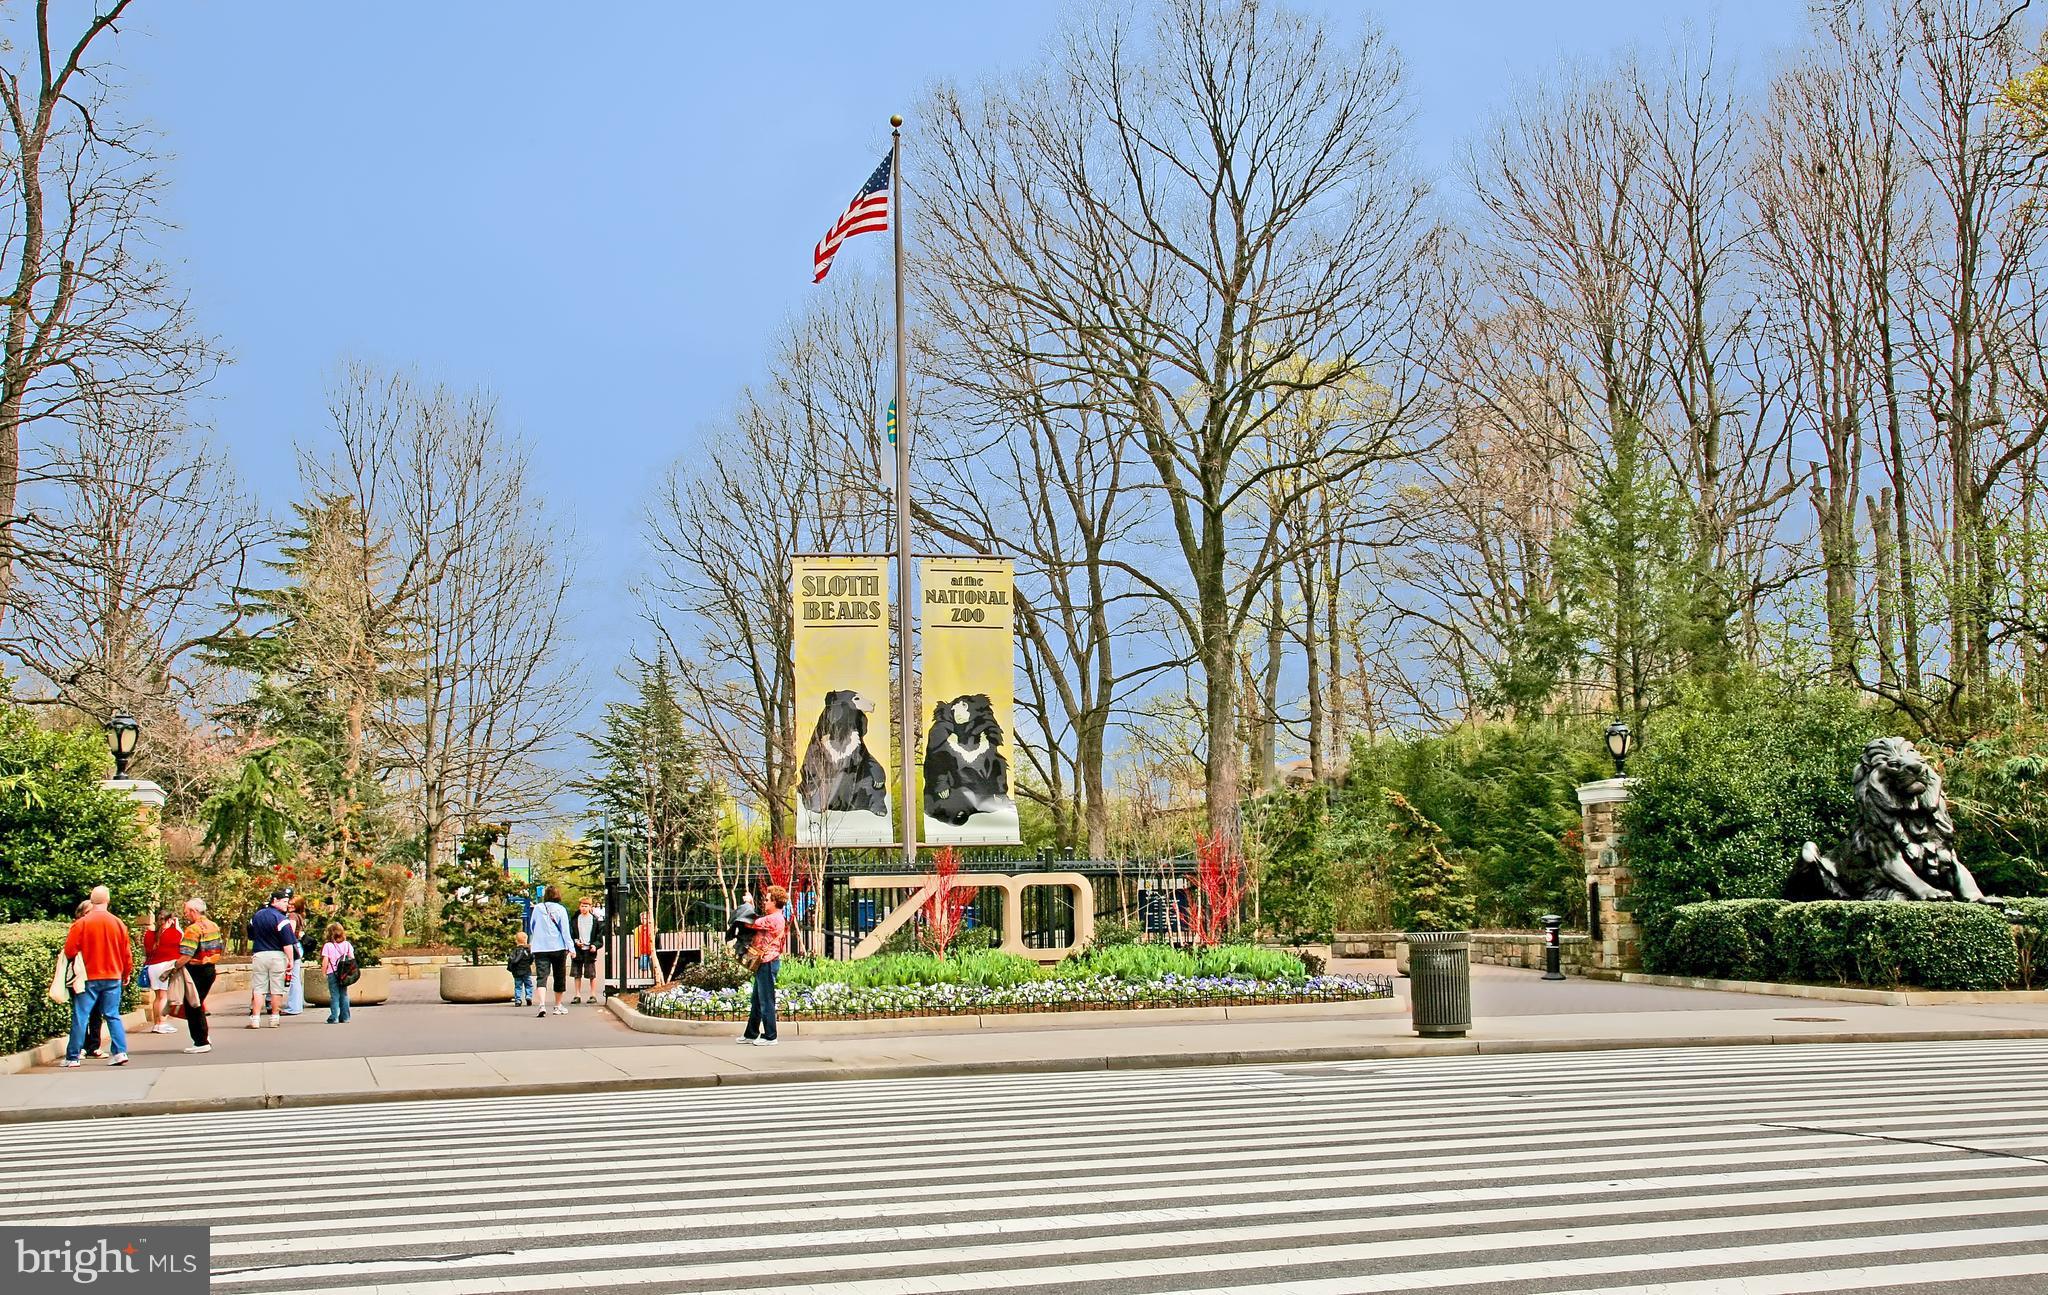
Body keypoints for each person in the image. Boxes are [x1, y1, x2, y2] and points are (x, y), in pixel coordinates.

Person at [60, 886, 131, 1067]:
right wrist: (126, 973)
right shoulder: (118, 923)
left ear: (91, 901)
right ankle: (120, 1052)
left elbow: (69, 950)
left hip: (88, 977)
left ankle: (73, 1057)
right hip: (113, 975)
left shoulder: (82, 923)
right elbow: (126, 953)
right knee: (112, 1014)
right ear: (108, 900)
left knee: (81, 1015)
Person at [735, 884, 788, 1047]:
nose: (764, 902)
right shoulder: (774, 917)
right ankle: (751, 1034)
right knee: (757, 1000)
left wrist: (749, 905)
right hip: (765, 963)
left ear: (775, 902)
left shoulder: (774, 919)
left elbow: (750, 923)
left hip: (767, 963)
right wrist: (751, 904)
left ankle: (770, 1036)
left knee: (766, 1001)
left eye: (767, 900)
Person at [171, 897, 224, 1053]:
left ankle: (201, 1042)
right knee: (198, 1002)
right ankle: (203, 1036)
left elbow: (187, 954)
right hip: (210, 969)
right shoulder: (213, 925)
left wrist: (174, 966)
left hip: (196, 970)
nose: (185, 915)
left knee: (193, 1005)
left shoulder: (193, 929)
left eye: (186, 912)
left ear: (194, 911)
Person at [247, 888, 295, 1028]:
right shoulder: (282, 920)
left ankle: (255, 1018)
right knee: (276, 989)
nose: (287, 904)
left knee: (258, 988)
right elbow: (287, 944)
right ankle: (274, 1017)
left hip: (259, 954)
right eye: (284, 901)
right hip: (277, 956)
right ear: (275, 901)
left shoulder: (256, 916)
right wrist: (291, 960)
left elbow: (251, 934)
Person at [526, 884, 572, 1017]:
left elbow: (532, 926)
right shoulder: (561, 909)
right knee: (559, 976)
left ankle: (542, 1004)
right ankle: (557, 1006)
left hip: (540, 947)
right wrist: (571, 947)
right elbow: (565, 931)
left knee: (542, 977)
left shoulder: (538, 908)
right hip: (558, 947)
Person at [144, 909, 183, 1034]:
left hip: (152, 967)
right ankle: (162, 1023)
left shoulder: (149, 934)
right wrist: (177, 926)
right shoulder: (174, 933)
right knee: (164, 996)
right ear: (170, 920)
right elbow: (183, 942)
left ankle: (156, 1023)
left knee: (157, 997)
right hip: (165, 967)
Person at [569, 896, 603, 1003]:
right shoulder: (575, 919)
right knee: (576, 973)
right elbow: (571, 934)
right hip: (578, 949)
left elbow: (599, 937)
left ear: (590, 907)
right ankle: (577, 995)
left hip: (589, 949)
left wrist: (595, 945)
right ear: (579, 906)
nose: (584, 908)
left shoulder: (595, 920)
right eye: (582, 906)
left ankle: (593, 995)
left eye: (586, 906)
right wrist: (575, 942)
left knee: (591, 973)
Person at [320, 922, 355, 1025]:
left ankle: (334, 1017)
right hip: (344, 974)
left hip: (332, 973)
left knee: (334, 995)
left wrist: (323, 972)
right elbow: (351, 958)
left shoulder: (328, 946)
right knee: (344, 994)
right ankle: (345, 1017)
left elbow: (325, 960)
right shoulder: (347, 944)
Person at [282, 895, 309, 1016]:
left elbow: (290, 933)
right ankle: (297, 1005)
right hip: (298, 947)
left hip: (293, 947)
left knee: (293, 978)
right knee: (296, 978)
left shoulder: (292, 916)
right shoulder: (299, 916)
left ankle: (294, 1007)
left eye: (293, 904)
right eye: (289, 903)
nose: (290, 906)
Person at [508, 932, 535, 1007]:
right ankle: (528, 996)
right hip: (526, 970)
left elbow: (511, 960)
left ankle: (518, 1000)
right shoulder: (528, 950)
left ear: (516, 941)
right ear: (526, 940)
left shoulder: (514, 951)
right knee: (528, 984)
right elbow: (531, 959)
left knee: (518, 986)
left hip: (517, 971)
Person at [634, 913, 655, 982]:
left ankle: (651, 979)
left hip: (651, 950)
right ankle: (643, 981)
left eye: (645, 918)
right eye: (642, 919)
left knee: (652, 966)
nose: (643, 920)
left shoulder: (651, 928)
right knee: (643, 967)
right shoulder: (639, 929)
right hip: (643, 951)